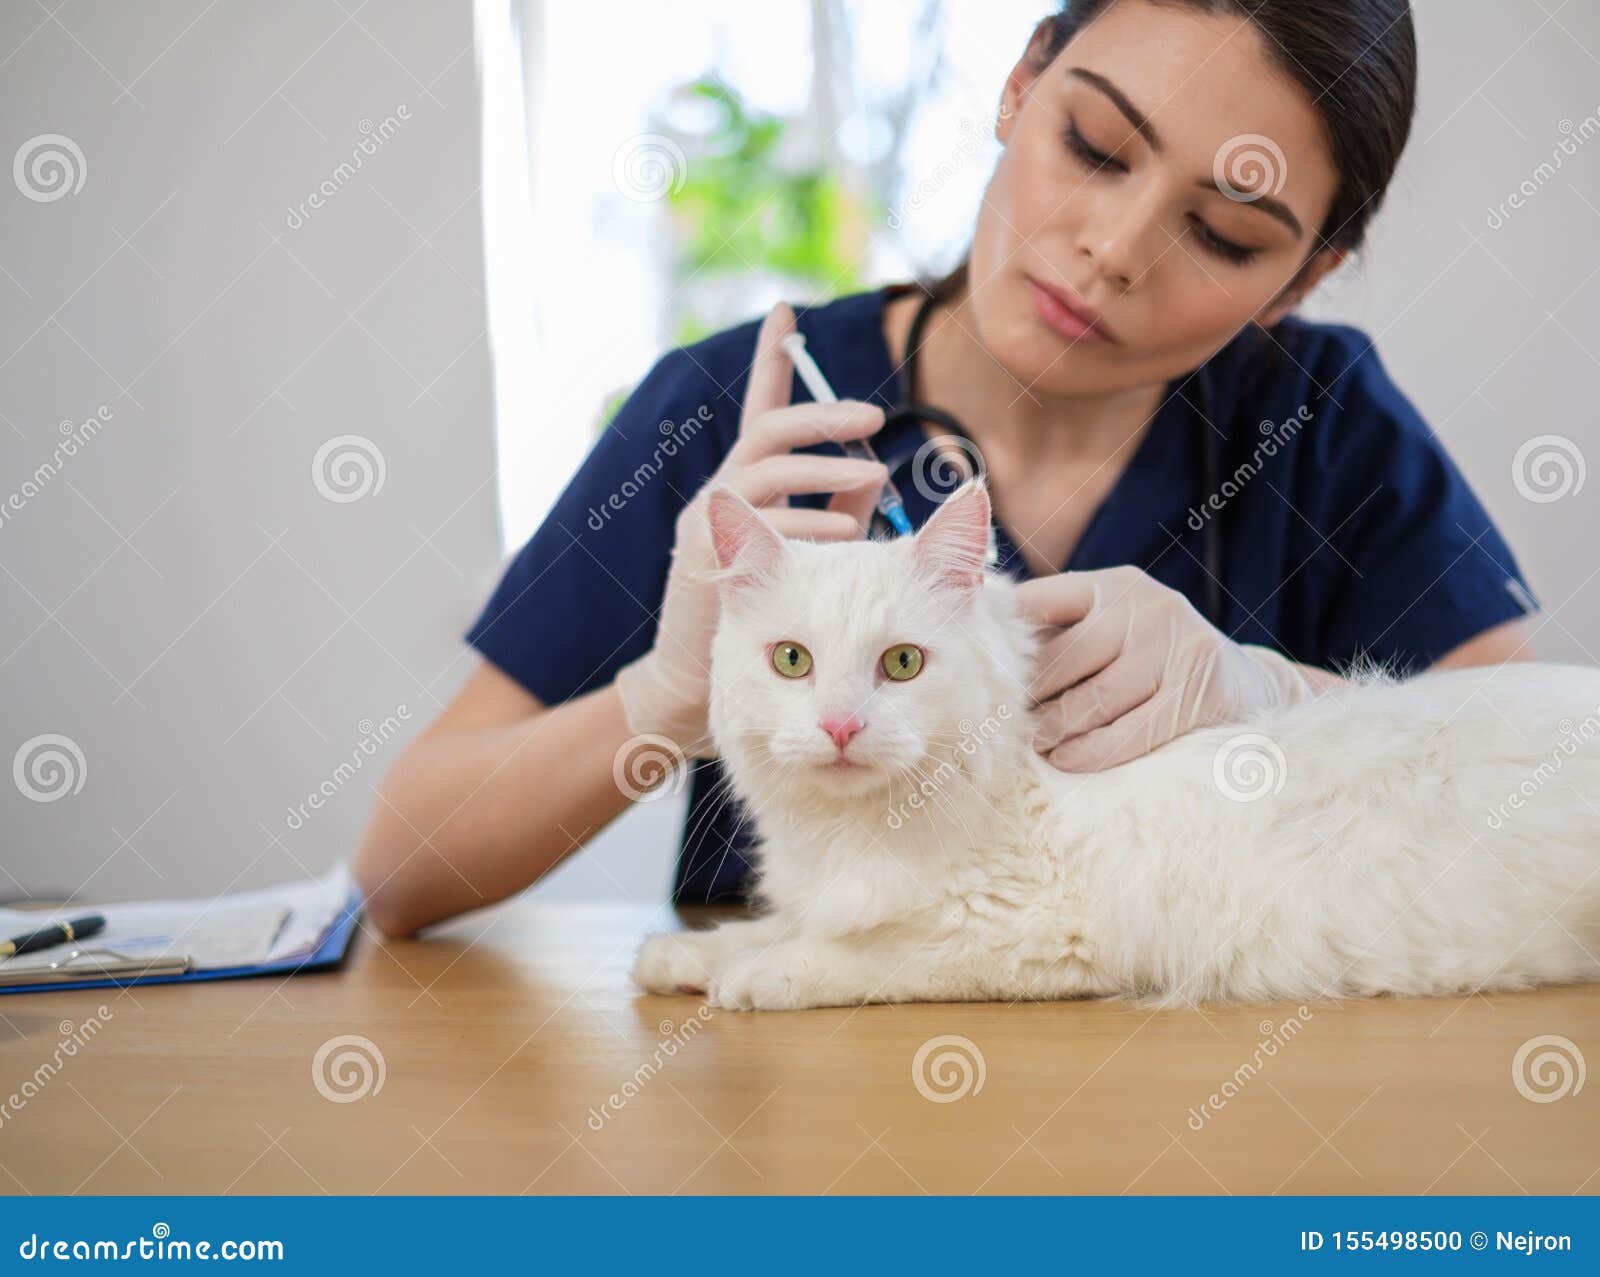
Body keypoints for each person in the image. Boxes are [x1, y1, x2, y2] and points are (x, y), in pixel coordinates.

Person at [354, 0, 1537, 935]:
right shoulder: (740, 407)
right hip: (804, 1118)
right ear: (1021, 81)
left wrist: (1268, 696)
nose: (1113, 251)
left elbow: (1538, 771)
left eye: (1223, 236)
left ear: (1302, 281)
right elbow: (399, 871)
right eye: (1095, 146)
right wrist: (665, 698)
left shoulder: (1321, 426)